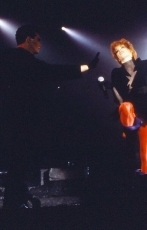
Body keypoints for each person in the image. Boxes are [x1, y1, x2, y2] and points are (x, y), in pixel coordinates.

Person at [0, 24, 99, 208]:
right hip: (21, 118)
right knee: (19, 158)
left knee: (18, 159)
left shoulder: (7, 58)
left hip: (10, 117)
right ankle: (13, 203)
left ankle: (17, 198)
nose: (40, 44)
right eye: (38, 39)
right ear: (28, 39)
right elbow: (55, 71)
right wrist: (86, 67)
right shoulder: (26, 61)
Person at [110, 38, 147, 188]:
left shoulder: (146, 64)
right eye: (117, 51)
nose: (120, 52)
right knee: (126, 106)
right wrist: (112, 88)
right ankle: (130, 127)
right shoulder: (116, 72)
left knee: (145, 154)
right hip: (129, 112)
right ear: (116, 57)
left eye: (122, 48)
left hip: (145, 110)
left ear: (130, 50)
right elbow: (119, 100)